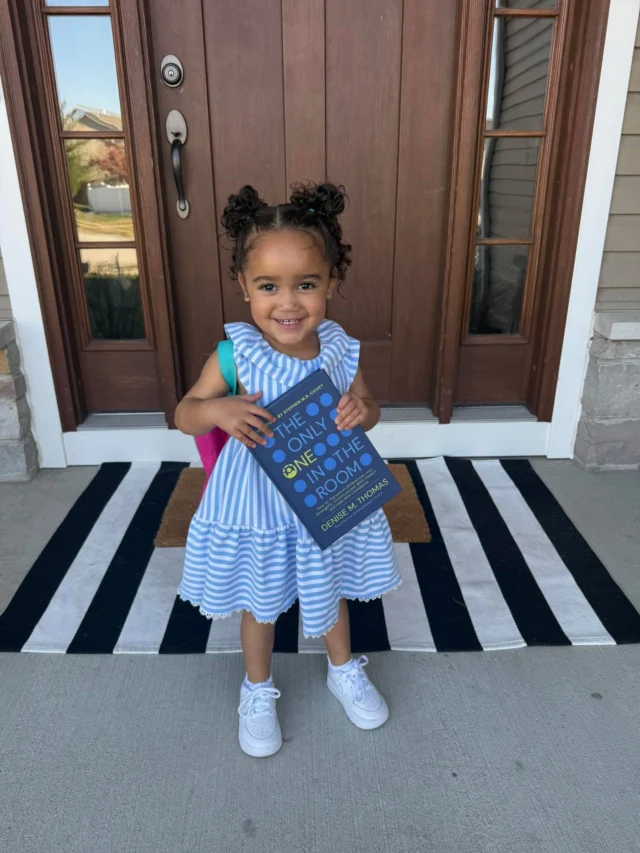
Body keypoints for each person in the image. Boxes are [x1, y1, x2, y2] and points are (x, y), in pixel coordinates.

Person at [174, 183, 401, 758]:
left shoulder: (339, 350)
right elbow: (185, 414)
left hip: (325, 493)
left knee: (332, 586)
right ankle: (256, 687)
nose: (288, 303)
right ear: (244, 288)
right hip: (257, 504)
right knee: (260, 597)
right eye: (268, 286)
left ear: (331, 285)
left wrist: (361, 412)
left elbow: (370, 408)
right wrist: (219, 410)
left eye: (307, 285)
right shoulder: (234, 355)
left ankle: (342, 669)